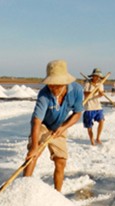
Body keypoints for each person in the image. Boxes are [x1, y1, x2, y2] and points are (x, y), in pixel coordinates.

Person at [24, 59, 84, 192]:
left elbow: (77, 113)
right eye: (50, 84)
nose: (53, 88)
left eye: (56, 85)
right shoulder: (44, 94)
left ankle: (58, 194)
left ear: (65, 82)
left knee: (61, 161)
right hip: (43, 125)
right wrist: (34, 147)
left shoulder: (77, 90)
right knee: (33, 155)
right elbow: (36, 121)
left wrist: (63, 127)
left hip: (61, 125)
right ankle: (23, 188)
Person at [83, 67, 106, 146]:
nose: (96, 78)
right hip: (89, 107)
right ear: (92, 76)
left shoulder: (100, 83)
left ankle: (98, 138)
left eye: (98, 76)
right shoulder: (87, 83)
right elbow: (85, 94)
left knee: (102, 121)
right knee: (89, 125)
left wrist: (101, 94)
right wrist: (93, 91)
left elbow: (100, 94)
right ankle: (92, 140)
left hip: (98, 106)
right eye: (95, 76)